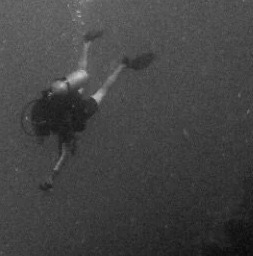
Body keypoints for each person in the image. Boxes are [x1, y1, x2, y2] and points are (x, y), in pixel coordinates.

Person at [23, 29, 155, 191]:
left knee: (102, 91)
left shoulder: (59, 127)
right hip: (70, 98)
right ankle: (87, 43)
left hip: (80, 110)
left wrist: (51, 178)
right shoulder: (44, 109)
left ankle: (122, 65)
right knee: (83, 76)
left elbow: (63, 157)